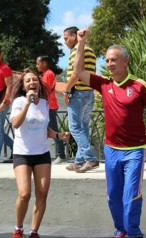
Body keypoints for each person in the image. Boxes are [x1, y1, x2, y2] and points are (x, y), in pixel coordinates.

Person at [74, 29, 146, 238]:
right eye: (106, 61)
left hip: (135, 150)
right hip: (111, 150)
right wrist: (81, 43)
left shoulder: (140, 86)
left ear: (126, 61)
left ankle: (133, 233)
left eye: (113, 60)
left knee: (131, 195)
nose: (109, 64)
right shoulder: (103, 84)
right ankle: (120, 229)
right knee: (114, 195)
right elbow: (79, 72)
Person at [10, 69, 70, 238]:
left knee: (42, 193)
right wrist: (28, 104)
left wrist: (58, 136)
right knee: (24, 194)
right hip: (22, 154)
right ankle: (18, 229)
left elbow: (45, 129)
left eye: (34, 80)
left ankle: (34, 231)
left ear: (38, 83)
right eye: (27, 81)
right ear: (23, 85)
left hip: (42, 154)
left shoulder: (44, 103)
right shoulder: (19, 102)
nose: (31, 83)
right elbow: (15, 123)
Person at [62, 26, 99, 173]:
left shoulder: (78, 50)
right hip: (89, 93)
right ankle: (79, 161)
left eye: (66, 38)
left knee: (75, 128)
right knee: (83, 128)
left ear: (73, 36)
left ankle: (90, 158)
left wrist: (66, 90)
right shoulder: (89, 50)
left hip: (78, 94)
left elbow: (76, 73)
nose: (65, 42)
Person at [36, 55, 67, 164]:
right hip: (47, 106)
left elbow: (45, 90)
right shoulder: (45, 74)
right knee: (47, 130)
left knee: (53, 130)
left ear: (44, 63)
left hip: (50, 106)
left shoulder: (48, 74)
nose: (37, 66)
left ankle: (61, 155)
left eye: (38, 63)